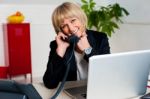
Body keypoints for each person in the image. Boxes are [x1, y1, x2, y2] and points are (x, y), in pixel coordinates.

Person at [43, 2, 110, 89]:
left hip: (97, 89)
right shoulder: (56, 45)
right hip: (73, 92)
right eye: (64, 26)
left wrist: (88, 49)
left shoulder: (100, 38)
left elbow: (107, 73)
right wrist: (60, 52)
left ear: (81, 18)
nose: (71, 28)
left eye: (73, 20)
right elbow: (49, 83)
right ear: (61, 30)